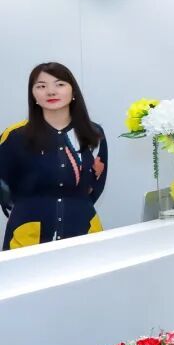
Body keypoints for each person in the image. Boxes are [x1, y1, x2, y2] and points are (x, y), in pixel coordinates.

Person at [0, 63, 107, 250]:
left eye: (60, 84)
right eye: (41, 86)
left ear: (73, 91)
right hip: (27, 237)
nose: (51, 91)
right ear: (33, 95)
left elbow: (96, 184)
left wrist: (73, 205)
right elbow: (3, 187)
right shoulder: (15, 135)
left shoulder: (93, 133)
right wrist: (29, 210)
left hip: (84, 232)